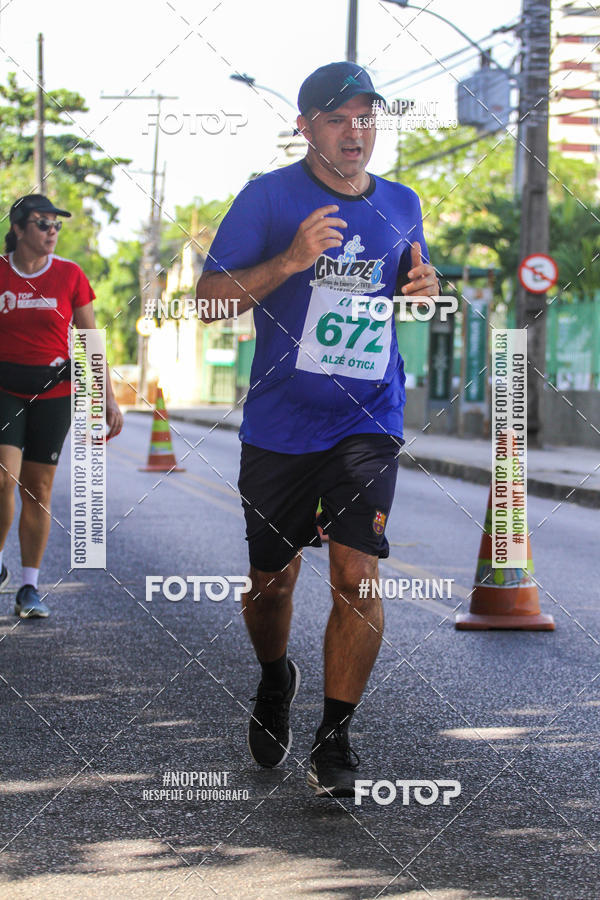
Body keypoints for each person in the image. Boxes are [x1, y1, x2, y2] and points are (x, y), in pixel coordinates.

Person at [195, 62, 439, 798]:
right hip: (279, 424)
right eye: (337, 118)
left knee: (356, 574)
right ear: (304, 127)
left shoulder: (402, 203)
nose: (355, 131)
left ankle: (335, 739)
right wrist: (293, 260)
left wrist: (426, 293)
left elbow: (415, 289)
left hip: (367, 417)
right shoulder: (269, 197)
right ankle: (276, 677)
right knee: (271, 585)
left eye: (366, 117)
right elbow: (206, 302)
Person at [0, 194, 123, 617]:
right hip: (4, 389)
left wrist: (107, 397)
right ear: (18, 229)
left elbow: (89, 340)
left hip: (54, 393)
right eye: (42, 224)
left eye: (56, 225)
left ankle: (29, 587)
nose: (52, 231)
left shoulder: (70, 275)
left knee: (39, 490)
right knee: (4, 479)